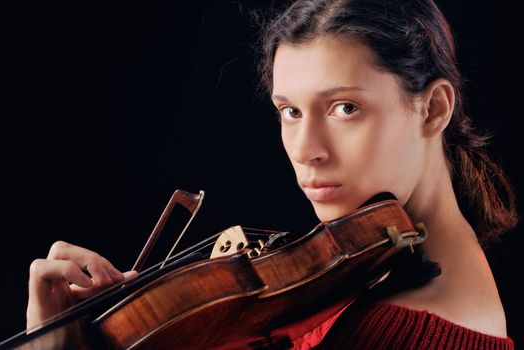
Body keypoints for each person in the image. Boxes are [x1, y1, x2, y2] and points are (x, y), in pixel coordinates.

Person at [26, 0, 518, 348]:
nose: (306, 151)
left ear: (433, 109)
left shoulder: (407, 332)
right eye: (290, 112)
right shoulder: (374, 265)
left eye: (345, 108)